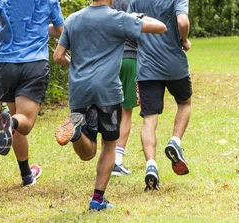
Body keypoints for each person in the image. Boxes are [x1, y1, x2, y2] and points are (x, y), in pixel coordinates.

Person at [53, 0, 166, 210]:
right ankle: (97, 200)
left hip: (80, 90)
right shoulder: (118, 18)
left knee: (87, 152)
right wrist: (138, 17)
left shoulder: (73, 19)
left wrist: (76, 68)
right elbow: (161, 27)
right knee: (109, 144)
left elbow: (58, 56)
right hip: (107, 91)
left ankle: (76, 133)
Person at [0, 0, 65, 187]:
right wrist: (38, 28)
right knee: (24, 123)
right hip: (34, 64)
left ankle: (26, 176)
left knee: (16, 119)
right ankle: (10, 122)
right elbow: (60, 31)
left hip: (7, 65)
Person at [128, 0, 192, 191]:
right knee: (185, 103)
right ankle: (175, 142)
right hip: (175, 65)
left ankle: (151, 165)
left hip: (147, 67)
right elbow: (183, 22)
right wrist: (185, 40)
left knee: (149, 118)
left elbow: (129, 24)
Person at [109, 0, 139, 176]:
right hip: (130, 58)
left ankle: (106, 156)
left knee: (109, 107)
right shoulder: (134, 2)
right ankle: (117, 162)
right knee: (126, 111)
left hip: (109, 59)